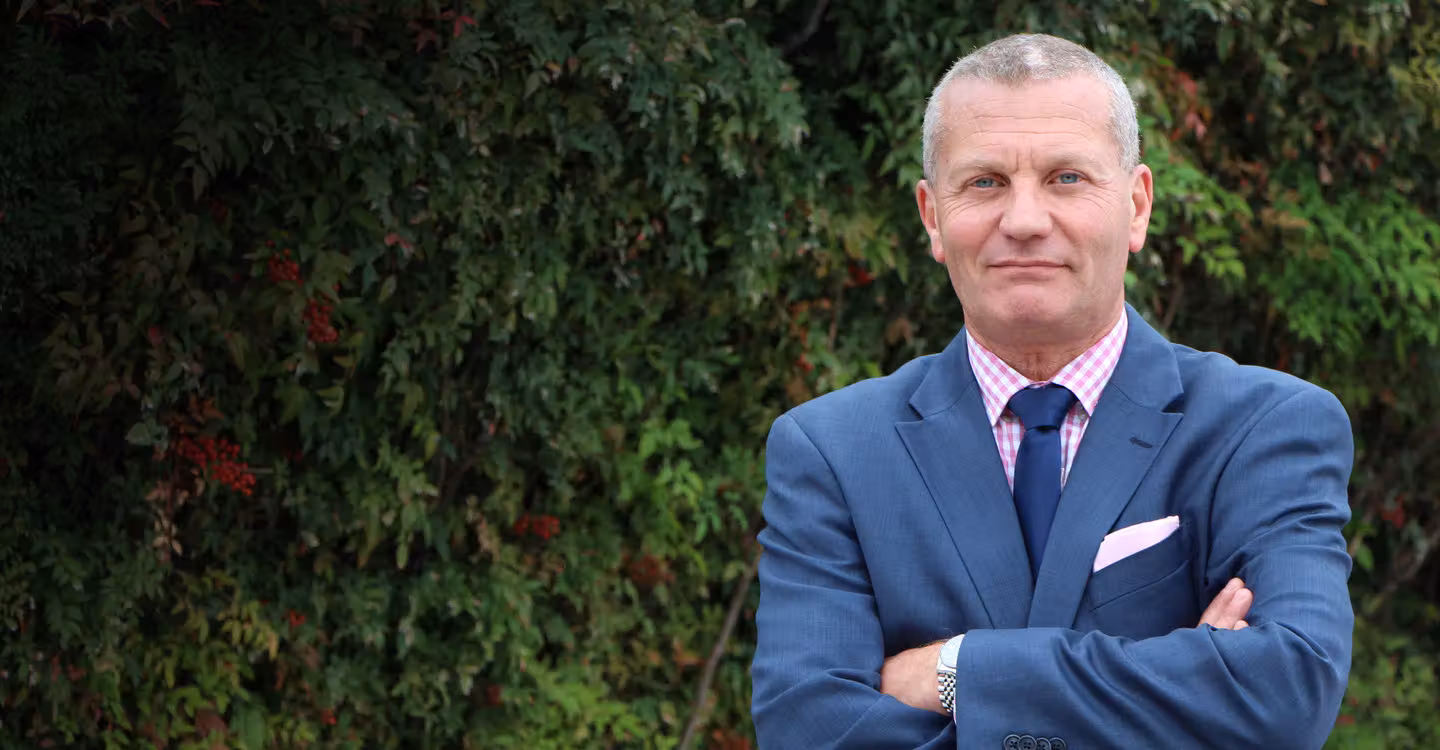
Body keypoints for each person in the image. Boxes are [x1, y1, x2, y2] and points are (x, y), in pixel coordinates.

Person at [750, 33, 1354, 749]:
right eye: (985, 183)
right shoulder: (834, 452)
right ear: (933, 217)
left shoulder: (1262, 428)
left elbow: (1287, 692)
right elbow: (807, 728)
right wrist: (1188, 687)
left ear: (1137, 206)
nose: (1025, 221)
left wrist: (958, 672)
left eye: (1067, 178)